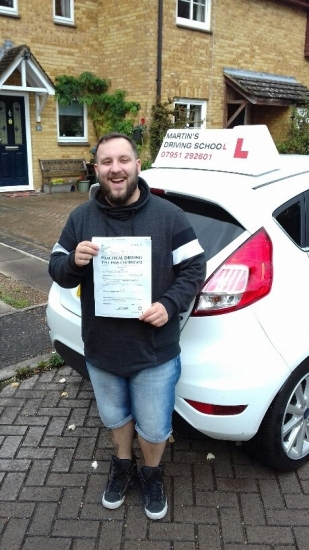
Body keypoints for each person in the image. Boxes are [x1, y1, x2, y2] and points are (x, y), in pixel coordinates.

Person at [48, 132, 206, 520]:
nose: (115, 169)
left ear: (137, 165)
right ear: (97, 169)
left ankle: (151, 472)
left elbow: (195, 268)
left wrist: (169, 305)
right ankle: (122, 464)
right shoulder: (80, 218)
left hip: (154, 352)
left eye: (123, 160)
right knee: (116, 417)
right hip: (101, 350)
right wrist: (73, 264)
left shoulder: (169, 216)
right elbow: (56, 269)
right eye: (106, 162)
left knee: (153, 427)